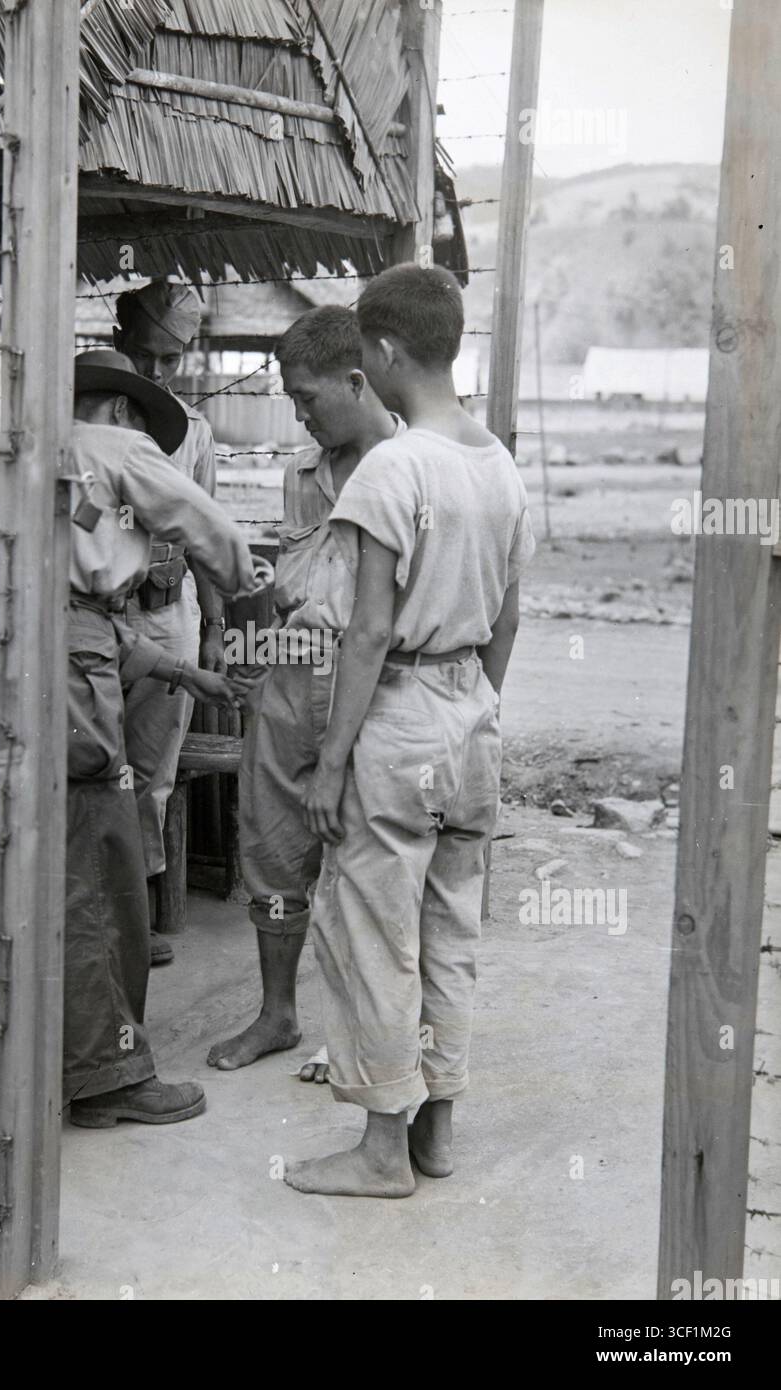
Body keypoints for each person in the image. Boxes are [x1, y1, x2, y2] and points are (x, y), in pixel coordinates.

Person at [282, 265, 535, 1197]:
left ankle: (381, 1152)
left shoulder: (397, 466)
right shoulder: (496, 461)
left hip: (398, 716)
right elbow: (508, 616)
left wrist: (331, 761)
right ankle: (437, 1131)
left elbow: (368, 629)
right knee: (450, 931)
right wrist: (476, 706)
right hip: (471, 714)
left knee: (372, 931)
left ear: (382, 353)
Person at [0, 349, 266, 1127]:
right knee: (100, 866)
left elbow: (56, 606)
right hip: (73, 675)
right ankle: (107, 1075)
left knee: (43, 864)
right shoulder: (113, 449)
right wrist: (260, 586)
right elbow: (205, 528)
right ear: (124, 411)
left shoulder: (25, 460)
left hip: (14, 664)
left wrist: (179, 671)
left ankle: (53, 1057)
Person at [206, 306, 402, 1081]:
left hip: (372, 684)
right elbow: (293, 587)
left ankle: (353, 1030)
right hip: (290, 677)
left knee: (362, 858)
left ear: (356, 382)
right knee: (273, 847)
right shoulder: (300, 475)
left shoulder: (409, 467)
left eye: (307, 397)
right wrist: (251, 646)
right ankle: (278, 1014)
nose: (298, 412)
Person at [113, 280, 226, 964]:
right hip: (98, 622)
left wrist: (213, 626)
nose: (155, 371)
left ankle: (138, 914)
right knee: (90, 766)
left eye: (170, 358)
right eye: (144, 354)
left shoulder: (195, 434)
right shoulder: (92, 422)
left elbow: (207, 538)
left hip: (166, 618)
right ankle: (83, 910)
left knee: (150, 776)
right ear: (121, 342)